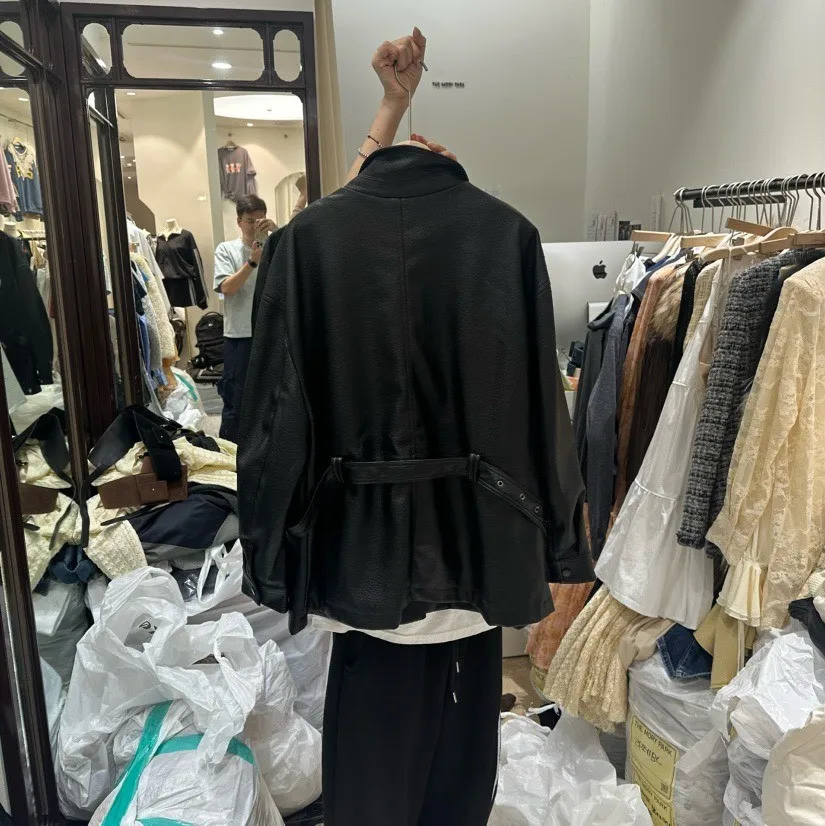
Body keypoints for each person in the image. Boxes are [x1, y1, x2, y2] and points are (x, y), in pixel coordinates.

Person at [240, 27, 592, 826]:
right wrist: (560, 548)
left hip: (357, 568)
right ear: (448, 169)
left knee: (369, 791)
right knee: (460, 788)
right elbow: (546, 412)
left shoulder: (306, 245)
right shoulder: (507, 237)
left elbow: (270, 425)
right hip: (478, 561)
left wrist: (270, 562)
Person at [212, 195, 277, 442]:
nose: (255, 226)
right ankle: (232, 452)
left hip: (270, 333)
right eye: (250, 221)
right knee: (236, 398)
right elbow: (226, 288)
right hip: (239, 335)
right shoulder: (226, 249)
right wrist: (252, 262)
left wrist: (276, 234)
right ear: (239, 221)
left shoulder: (275, 247)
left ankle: (266, 449)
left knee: (271, 395)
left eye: (261, 220)